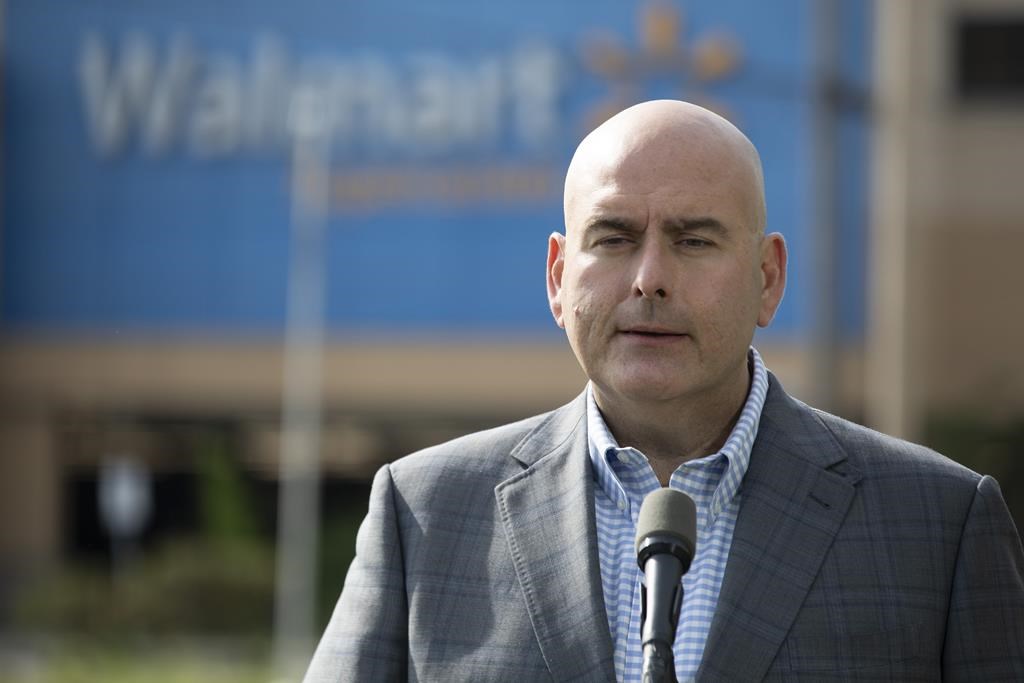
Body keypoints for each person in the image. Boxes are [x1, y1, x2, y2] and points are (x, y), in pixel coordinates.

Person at [304, 100, 1024, 681]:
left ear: (767, 278)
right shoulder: (425, 512)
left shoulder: (938, 524)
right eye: (613, 238)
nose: (650, 278)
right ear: (558, 277)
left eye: (694, 240)